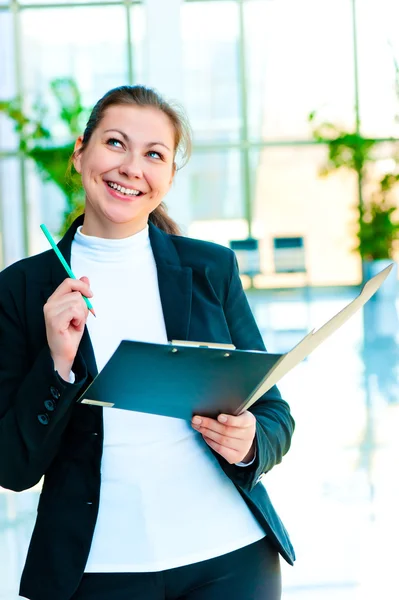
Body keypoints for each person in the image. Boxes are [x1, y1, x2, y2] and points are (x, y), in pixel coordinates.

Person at [0, 85, 295, 600]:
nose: (132, 167)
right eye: (115, 143)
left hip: (231, 557)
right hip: (98, 571)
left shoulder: (211, 269)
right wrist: (58, 363)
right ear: (80, 152)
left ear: (168, 176)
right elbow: (11, 467)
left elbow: (273, 413)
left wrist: (249, 443)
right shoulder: (22, 289)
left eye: (154, 154)